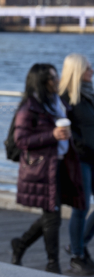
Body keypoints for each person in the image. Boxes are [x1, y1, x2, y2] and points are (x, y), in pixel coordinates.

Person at [12, 63, 85, 274]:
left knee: (50, 213)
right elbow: (21, 140)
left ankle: (21, 244)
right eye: (53, 78)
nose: (58, 80)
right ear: (42, 82)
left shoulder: (58, 102)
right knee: (52, 217)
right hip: (42, 168)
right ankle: (53, 266)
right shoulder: (29, 107)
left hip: (61, 165)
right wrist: (52, 135)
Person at [61, 53, 94, 273]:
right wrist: (82, 146)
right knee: (80, 207)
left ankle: (78, 243)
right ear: (77, 72)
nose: (91, 72)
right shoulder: (65, 99)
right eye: (88, 69)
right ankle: (76, 254)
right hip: (80, 159)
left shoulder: (89, 95)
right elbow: (67, 131)